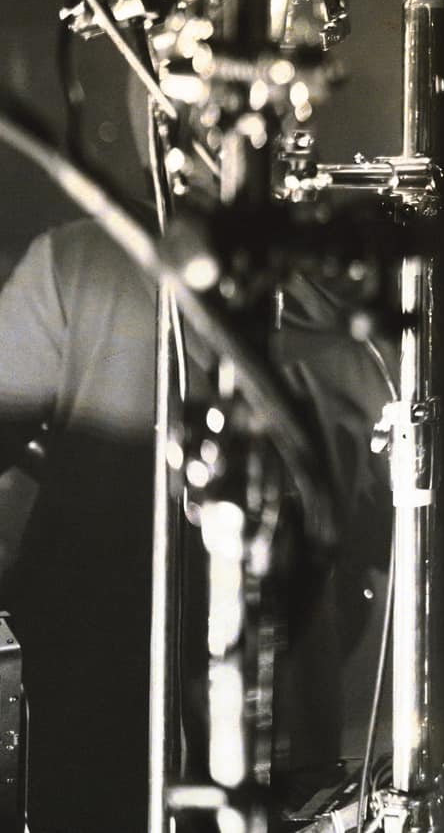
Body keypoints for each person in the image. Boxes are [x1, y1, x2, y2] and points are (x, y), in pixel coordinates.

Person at [0, 216, 390, 829]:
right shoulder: (355, 313)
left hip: (94, 715)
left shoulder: (80, 262)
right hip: (266, 725)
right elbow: (380, 538)